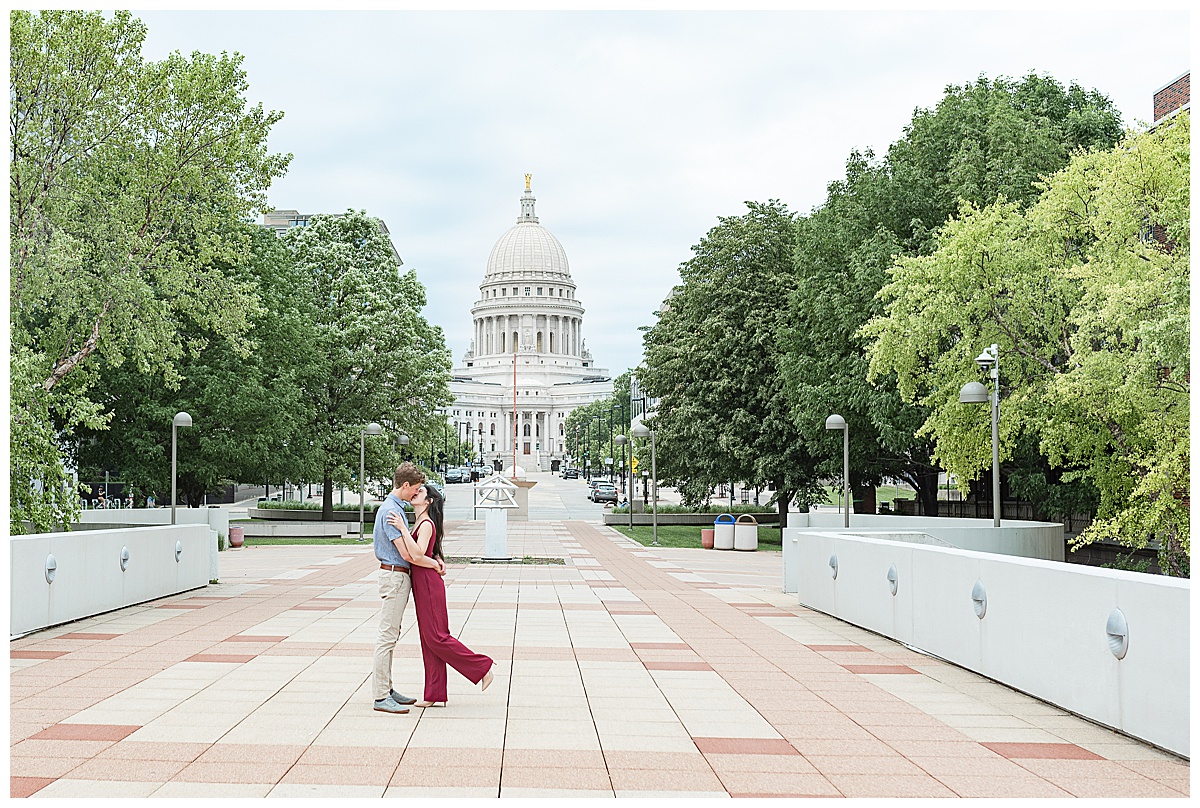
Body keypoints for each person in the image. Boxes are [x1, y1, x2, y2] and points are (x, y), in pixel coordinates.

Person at [388, 483, 495, 706]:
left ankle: (482, 667)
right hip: (422, 582)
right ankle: (434, 693)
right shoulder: (421, 521)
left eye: (422, 492)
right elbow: (426, 552)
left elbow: (416, 555)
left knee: (437, 637)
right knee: (429, 640)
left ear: (429, 501)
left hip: (428, 583)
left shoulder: (425, 523)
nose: (416, 492)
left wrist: (403, 529)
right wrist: (436, 559)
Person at [372, 462, 445, 714]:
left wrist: (435, 559)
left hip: (398, 576)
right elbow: (408, 554)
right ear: (405, 485)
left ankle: (388, 689)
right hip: (394, 575)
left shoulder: (396, 509)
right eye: (414, 488)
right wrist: (434, 564)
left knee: (391, 635)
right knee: (387, 637)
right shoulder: (392, 512)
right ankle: (381, 696)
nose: (415, 493)